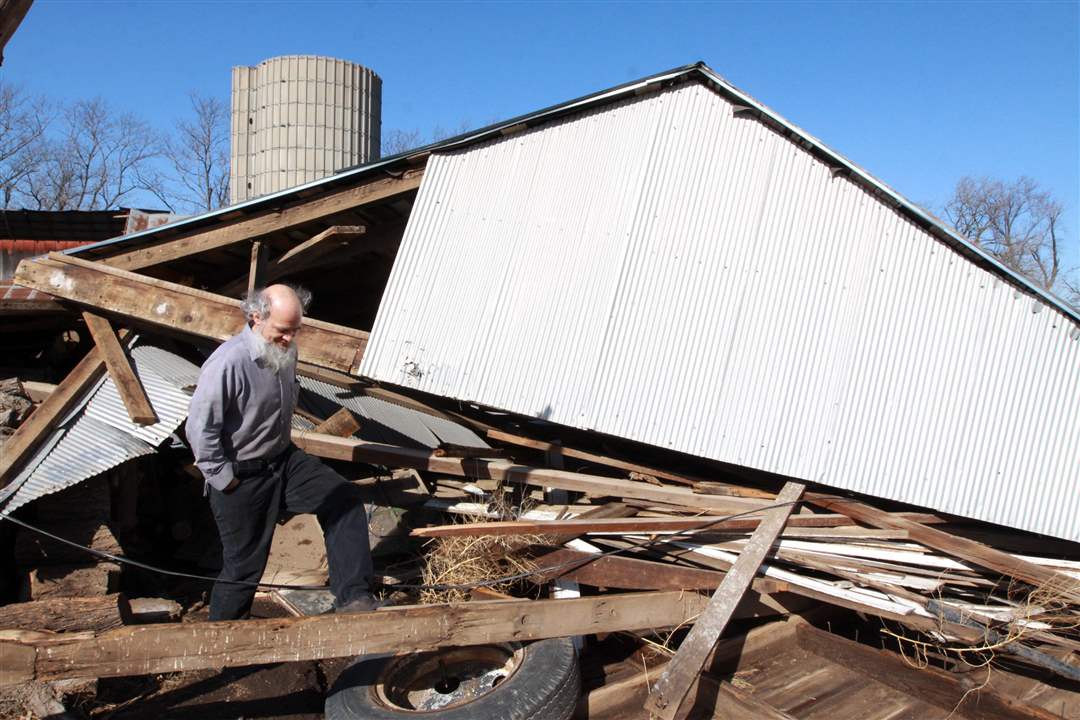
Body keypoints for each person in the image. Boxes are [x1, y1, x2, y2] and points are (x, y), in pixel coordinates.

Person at [185, 284, 377, 620]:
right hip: (241, 474)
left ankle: (354, 601)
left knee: (344, 500)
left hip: (283, 460)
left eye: (295, 330)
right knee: (243, 568)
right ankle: (221, 646)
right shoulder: (228, 363)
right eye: (282, 331)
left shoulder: (285, 351)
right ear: (256, 317)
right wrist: (224, 479)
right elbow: (200, 429)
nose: (289, 339)